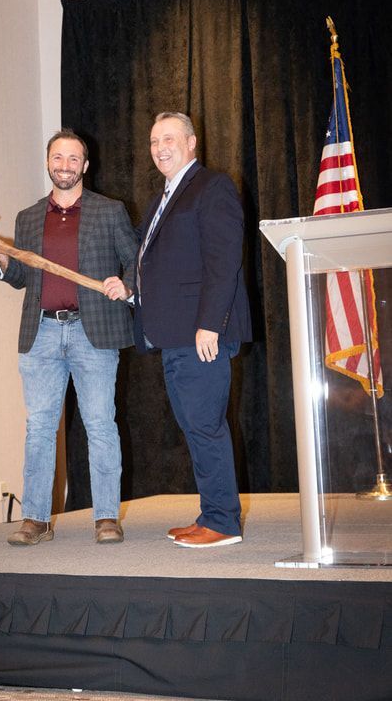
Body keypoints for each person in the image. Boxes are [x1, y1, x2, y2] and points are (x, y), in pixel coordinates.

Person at [0, 129, 138, 546]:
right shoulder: (28, 217)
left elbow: (135, 259)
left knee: (100, 425)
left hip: (92, 332)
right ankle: (36, 519)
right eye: (57, 158)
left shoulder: (109, 210)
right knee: (40, 428)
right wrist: (0, 258)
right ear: (48, 163)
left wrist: (128, 285)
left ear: (85, 165)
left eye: (72, 159)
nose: (64, 166)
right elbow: (22, 278)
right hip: (41, 334)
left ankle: (106, 518)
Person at [104, 112, 252, 548]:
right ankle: (213, 512)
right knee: (196, 426)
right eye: (153, 141)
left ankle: (223, 523)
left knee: (205, 425)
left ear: (191, 142)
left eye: (169, 138)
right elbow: (159, 265)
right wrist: (130, 289)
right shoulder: (163, 198)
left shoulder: (212, 187)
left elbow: (224, 262)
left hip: (200, 335)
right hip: (172, 335)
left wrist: (210, 324)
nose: (160, 147)